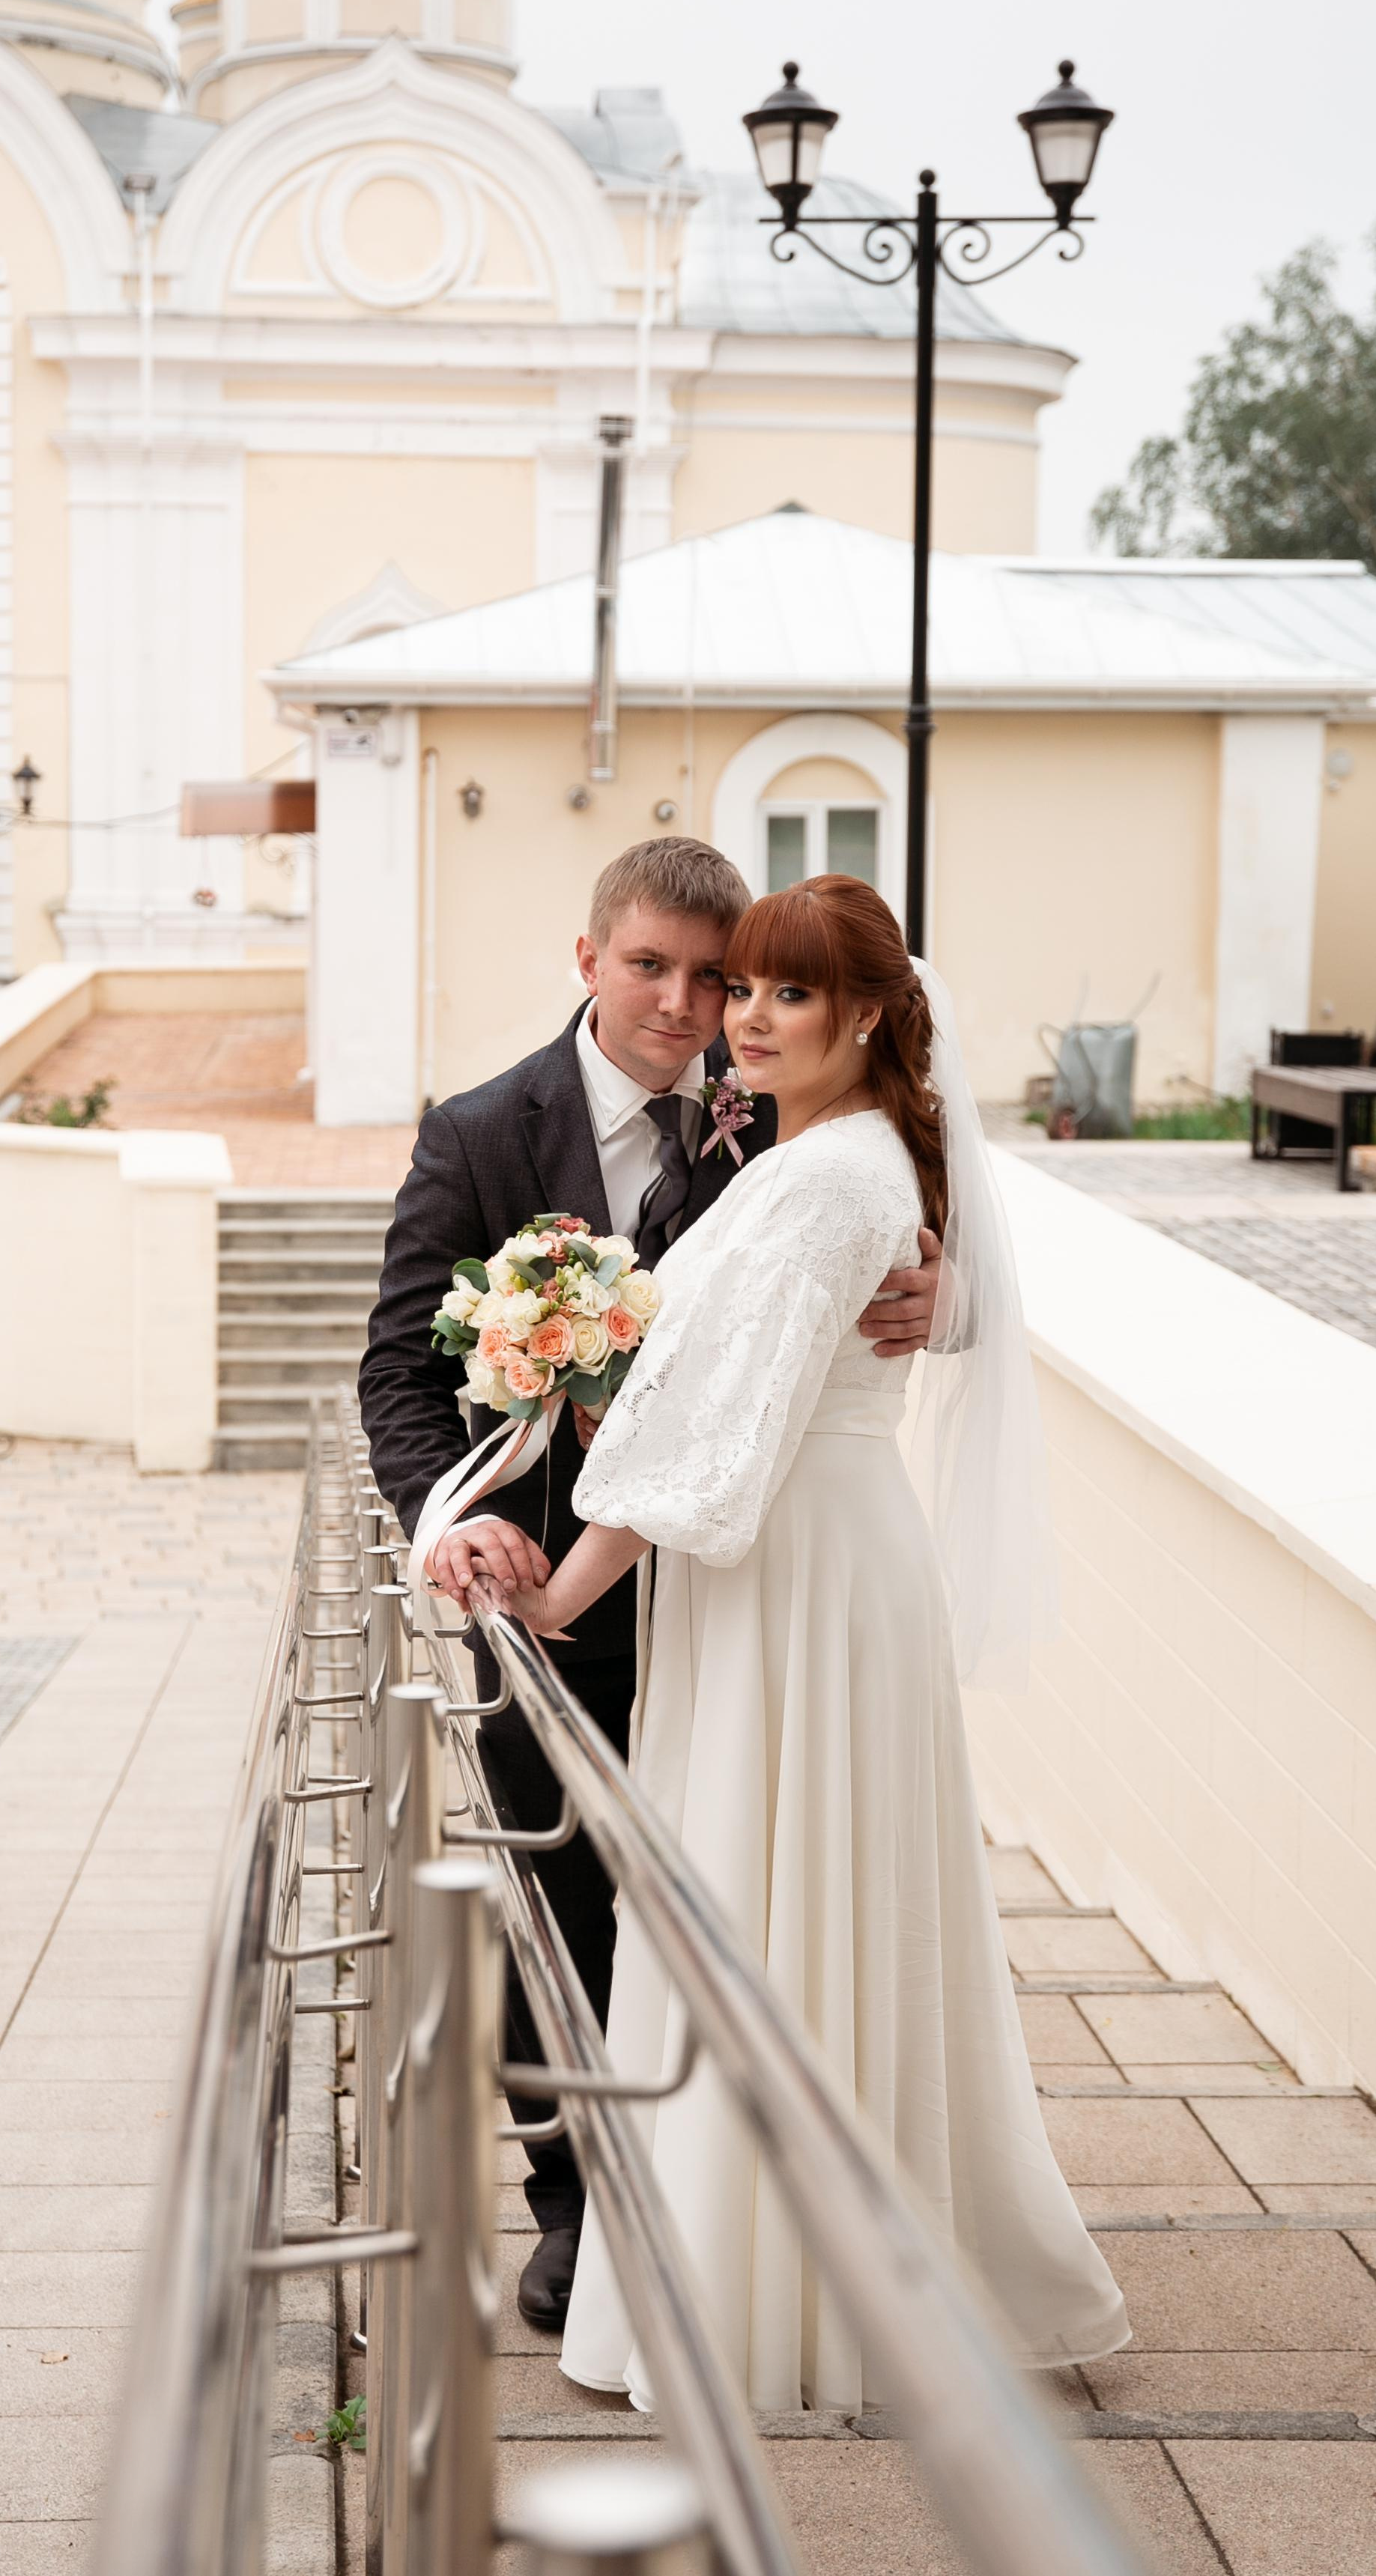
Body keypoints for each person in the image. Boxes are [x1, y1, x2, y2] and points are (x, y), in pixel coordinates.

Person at [503, 873, 1129, 2412]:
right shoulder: (833, 1161)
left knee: (770, 1899)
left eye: (786, 994)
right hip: (794, 1563)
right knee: (779, 1898)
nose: (744, 1018)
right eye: (743, 991)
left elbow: (720, 1430)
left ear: (863, 1016)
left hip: (796, 1571)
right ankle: (781, 2259)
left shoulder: (825, 1176)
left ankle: (777, 2296)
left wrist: (560, 1592)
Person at [358, 839, 943, 2330]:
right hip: (542, 1583)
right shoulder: (483, 1130)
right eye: (656, 969)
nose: (690, 1005)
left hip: (725, 1589)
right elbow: (400, 1368)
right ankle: (573, 2210)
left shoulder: (779, 1117)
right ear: (587, 959)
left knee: (700, 1896)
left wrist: (944, 1290)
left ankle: (705, 2197)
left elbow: (869, 1237)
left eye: (718, 975)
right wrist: (449, 1530)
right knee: (547, 1902)